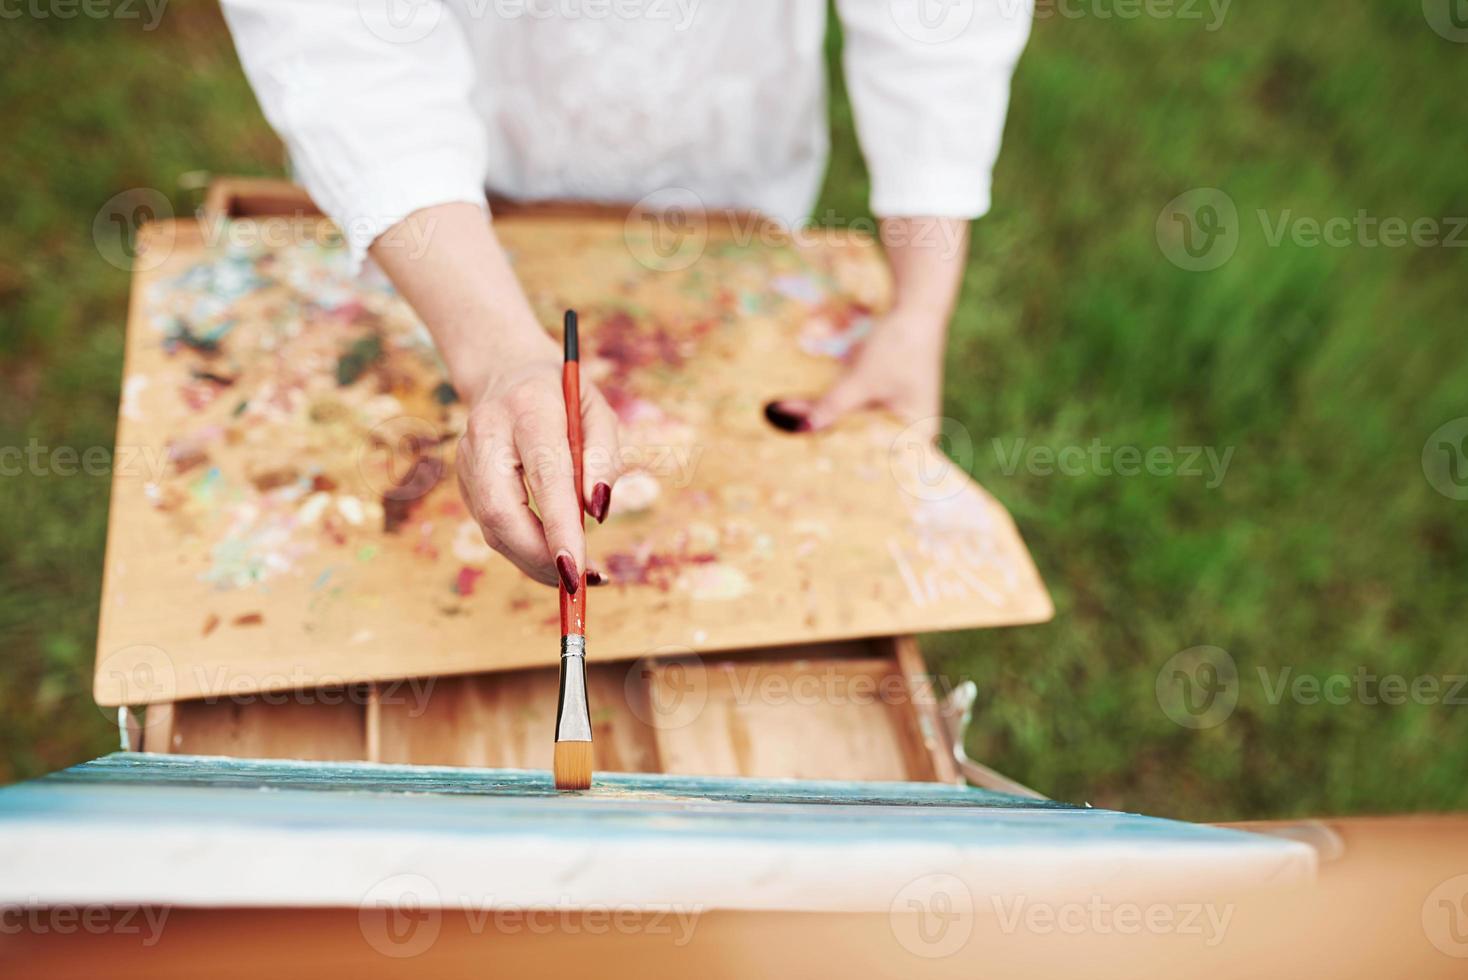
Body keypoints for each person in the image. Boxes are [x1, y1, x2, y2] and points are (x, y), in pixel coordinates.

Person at [221, 0, 1032, 593]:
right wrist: (496, 348)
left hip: (728, 184)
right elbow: (334, 32)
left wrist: (921, 306)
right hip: (446, 192)